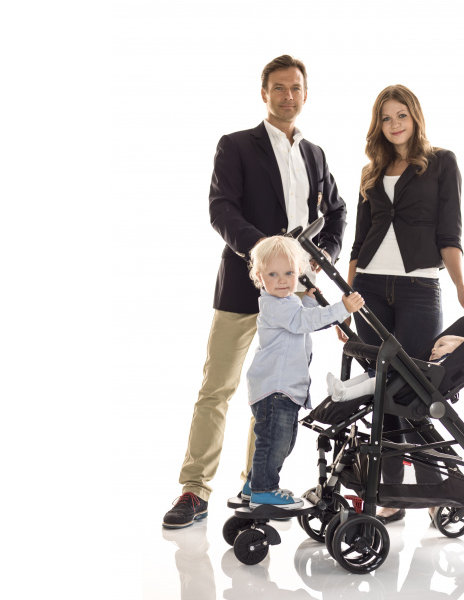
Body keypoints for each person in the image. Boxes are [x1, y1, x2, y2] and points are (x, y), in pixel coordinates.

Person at [162, 55, 347, 528]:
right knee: (216, 389)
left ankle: (254, 485)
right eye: (279, 88)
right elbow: (221, 209)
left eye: (296, 88)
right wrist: (265, 255)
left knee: (275, 391)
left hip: (295, 296)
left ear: (306, 94)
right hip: (244, 291)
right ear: (264, 93)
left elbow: (337, 210)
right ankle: (194, 490)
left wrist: (319, 257)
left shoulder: (315, 154)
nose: (288, 96)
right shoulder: (236, 146)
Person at [343, 84, 464, 524]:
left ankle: (434, 490)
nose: (394, 124)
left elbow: (449, 233)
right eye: (385, 118)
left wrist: (460, 286)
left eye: (401, 115)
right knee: (380, 392)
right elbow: (358, 242)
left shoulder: (441, 162)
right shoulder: (370, 172)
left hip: (419, 288)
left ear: (415, 117)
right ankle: (390, 494)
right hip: (369, 287)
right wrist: (346, 301)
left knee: (414, 394)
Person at [245, 236, 364, 508]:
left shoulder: (287, 302)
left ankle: (254, 484)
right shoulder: (274, 305)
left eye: (289, 273)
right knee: (274, 443)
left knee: (280, 443)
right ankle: (264, 489)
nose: (282, 280)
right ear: (259, 277)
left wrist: (308, 301)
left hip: (283, 388)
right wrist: (342, 309)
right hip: (275, 388)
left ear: (298, 272)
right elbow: (303, 322)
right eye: (273, 275)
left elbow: (301, 318)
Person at [326, 335, 464, 402]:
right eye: (434, 347)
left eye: (441, 346)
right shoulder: (433, 364)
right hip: (397, 379)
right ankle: (338, 388)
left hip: (404, 388)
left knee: (373, 382)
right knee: (367, 376)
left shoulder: (442, 366)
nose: (433, 349)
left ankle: (344, 395)